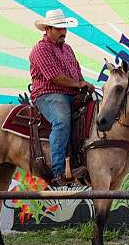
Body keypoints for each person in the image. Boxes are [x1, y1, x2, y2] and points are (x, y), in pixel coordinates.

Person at [29, 9, 95, 184]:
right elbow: (54, 77)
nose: (63, 32)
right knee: (62, 121)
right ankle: (58, 171)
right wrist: (78, 84)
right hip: (48, 94)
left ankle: (82, 160)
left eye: (64, 28)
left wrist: (83, 83)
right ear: (48, 29)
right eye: (58, 28)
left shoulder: (67, 49)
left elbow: (76, 72)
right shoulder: (40, 49)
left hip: (71, 93)